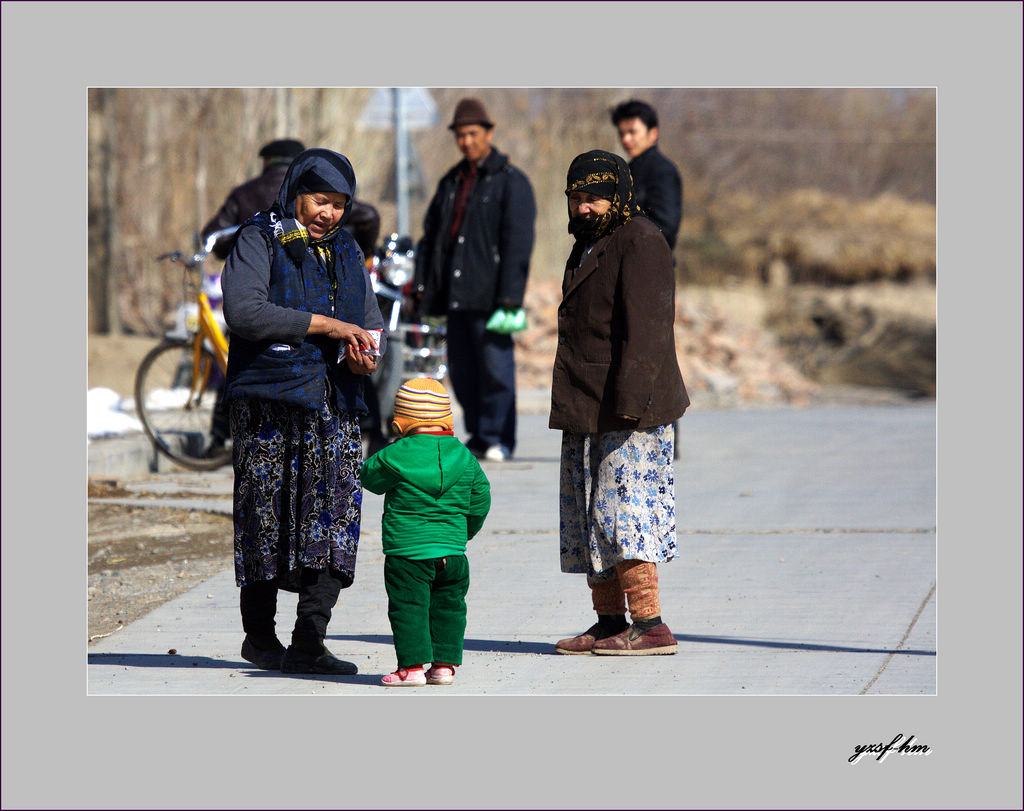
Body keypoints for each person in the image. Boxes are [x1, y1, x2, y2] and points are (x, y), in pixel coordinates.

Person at [221, 148, 386, 675]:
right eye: (320, 200)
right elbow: (244, 311)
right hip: (269, 406)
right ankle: (260, 639)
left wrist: (363, 357)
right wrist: (327, 326)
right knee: (266, 520)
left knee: (333, 522)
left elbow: (367, 322)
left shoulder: (348, 251)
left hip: (333, 406)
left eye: (339, 204)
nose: (328, 214)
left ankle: (309, 640)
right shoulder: (259, 237)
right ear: (295, 194)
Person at [550, 150, 690, 656]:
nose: (584, 208)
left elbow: (649, 329)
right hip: (587, 403)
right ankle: (609, 622)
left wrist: (630, 405)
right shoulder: (588, 245)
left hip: (628, 409)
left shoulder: (641, 240)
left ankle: (650, 625)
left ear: (618, 196)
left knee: (623, 514)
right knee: (588, 515)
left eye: (594, 198)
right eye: (577, 198)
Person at [414, 97, 536, 462]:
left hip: (493, 298)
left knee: (496, 372)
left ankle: (500, 438)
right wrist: (424, 286)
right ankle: (480, 437)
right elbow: (431, 238)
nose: (466, 141)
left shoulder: (511, 182)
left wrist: (510, 297)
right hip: (455, 296)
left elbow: (518, 244)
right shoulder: (451, 182)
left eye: (473, 133)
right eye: (460, 135)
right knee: (464, 374)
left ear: (489, 132)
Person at [361, 378, 491, 686]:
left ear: (400, 422)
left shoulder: (394, 456)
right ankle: (443, 667)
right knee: (449, 608)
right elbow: (481, 500)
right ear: (447, 420)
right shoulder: (465, 457)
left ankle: (412, 668)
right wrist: (463, 533)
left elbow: (368, 478)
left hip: (407, 554)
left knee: (409, 608)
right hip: (453, 553)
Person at [201, 138, 306, 259]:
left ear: (267, 161)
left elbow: (214, 235)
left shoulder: (243, 192)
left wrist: (242, 245)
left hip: (252, 269)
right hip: (304, 272)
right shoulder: (313, 193)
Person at [610, 99, 683, 250]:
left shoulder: (662, 171)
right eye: (621, 133)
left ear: (653, 133)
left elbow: (665, 227)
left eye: (632, 132)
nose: (625, 139)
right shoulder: (627, 170)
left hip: (650, 264)